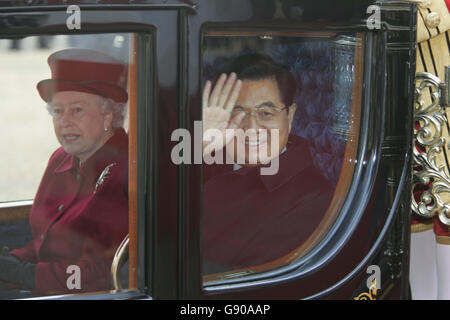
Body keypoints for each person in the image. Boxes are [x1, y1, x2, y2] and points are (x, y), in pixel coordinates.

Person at [0, 48, 129, 298]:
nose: (64, 121)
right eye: (58, 111)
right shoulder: (61, 159)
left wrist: (20, 274)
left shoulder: (126, 172)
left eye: (77, 110)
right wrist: (11, 264)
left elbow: (97, 276)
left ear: (108, 114)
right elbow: (42, 245)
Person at [202, 53, 334, 274]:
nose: (251, 127)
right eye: (237, 112)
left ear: (289, 117)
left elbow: (245, 286)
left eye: (266, 113)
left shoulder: (313, 199)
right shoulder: (204, 160)